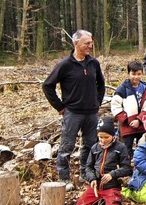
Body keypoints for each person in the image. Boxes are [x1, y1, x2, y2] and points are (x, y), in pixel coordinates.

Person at [42, 30, 105, 191]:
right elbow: (47, 85)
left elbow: (101, 84)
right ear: (76, 43)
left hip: (92, 113)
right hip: (72, 113)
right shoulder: (65, 65)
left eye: (91, 43)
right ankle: (64, 178)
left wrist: (97, 101)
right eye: (87, 43)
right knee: (66, 147)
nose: (90, 46)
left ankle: (85, 173)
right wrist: (60, 106)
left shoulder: (93, 63)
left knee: (90, 145)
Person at [77, 117, 132, 205]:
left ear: (113, 135)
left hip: (112, 187)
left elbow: (127, 168)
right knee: (80, 203)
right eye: (100, 137)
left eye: (106, 137)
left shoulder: (120, 147)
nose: (103, 140)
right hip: (96, 187)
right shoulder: (95, 148)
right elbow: (88, 167)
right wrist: (92, 179)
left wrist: (112, 174)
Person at [111, 61, 146, 157]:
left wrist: (139, 119)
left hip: (143, 125)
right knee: (126, 150)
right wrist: (127, 119)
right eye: (133, 74)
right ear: (128, 74)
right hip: (128, 126)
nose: (136, 77)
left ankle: (141, 166)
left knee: (143, 147)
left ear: (142, 74)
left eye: (138, 74)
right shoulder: (122, 89)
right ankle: (126, 167)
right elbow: (115, 106)